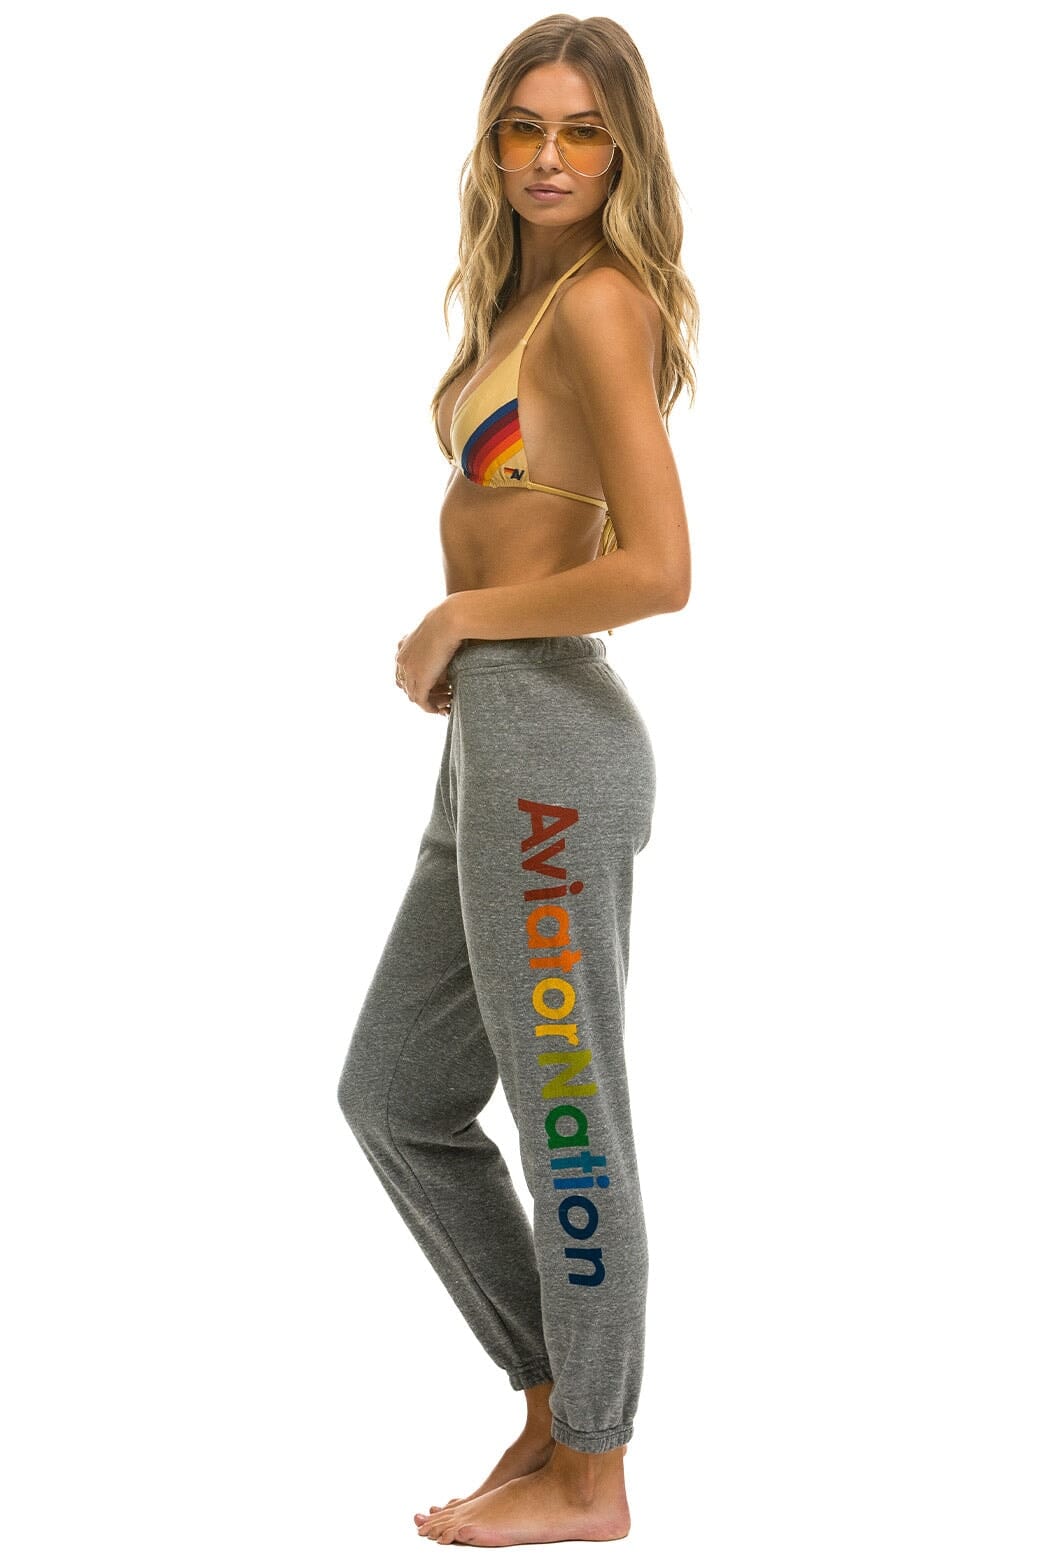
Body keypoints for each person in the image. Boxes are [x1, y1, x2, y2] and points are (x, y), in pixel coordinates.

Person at [337, 13, 698, 1546]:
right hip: (491, 745)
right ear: (492, 144)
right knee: (397, 1092)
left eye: (582, 132)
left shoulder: (603, 304)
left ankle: (594, 1472)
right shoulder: (523, 297)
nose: (550, 157)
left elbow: (661, 569)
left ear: (624, 153)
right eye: (524, 128)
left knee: (565, 1113)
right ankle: (553, 1405)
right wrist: (468, 650)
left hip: (553, 745)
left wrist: (461, 619)